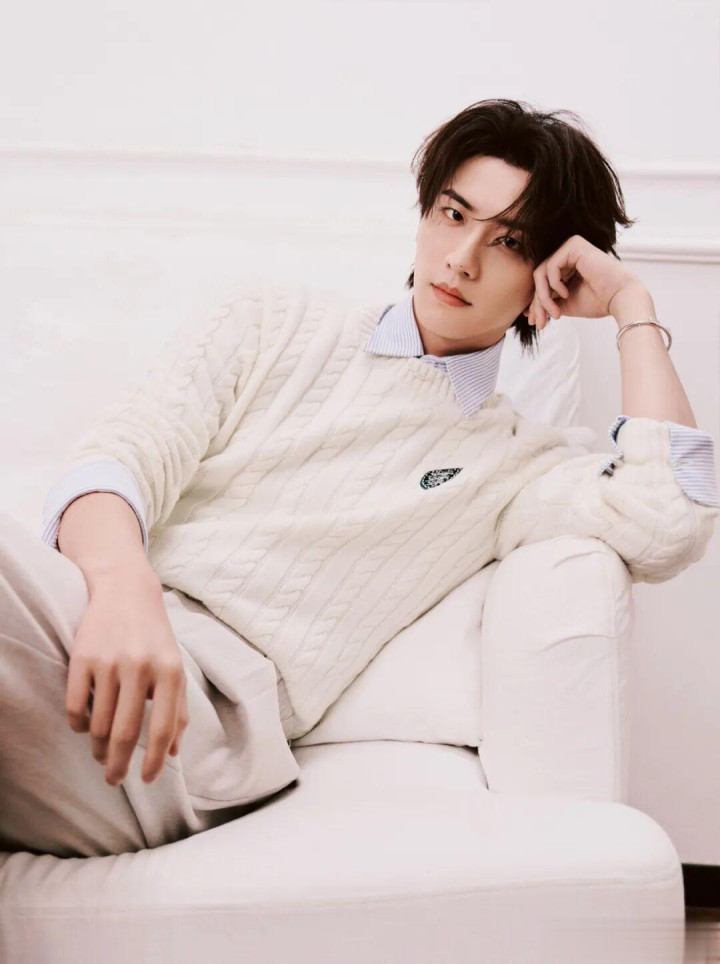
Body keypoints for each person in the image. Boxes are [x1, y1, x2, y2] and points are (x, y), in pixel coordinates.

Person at [2, 97, 717, 858]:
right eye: (452, 214)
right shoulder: (269, 323)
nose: (461, 258)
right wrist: (125, 591)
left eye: (509, 241)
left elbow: (666, 519)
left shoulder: (515, 464)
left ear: (552, 277)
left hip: (195, 725)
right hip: (87, 623)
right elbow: (119, 457)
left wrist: (632, 306)